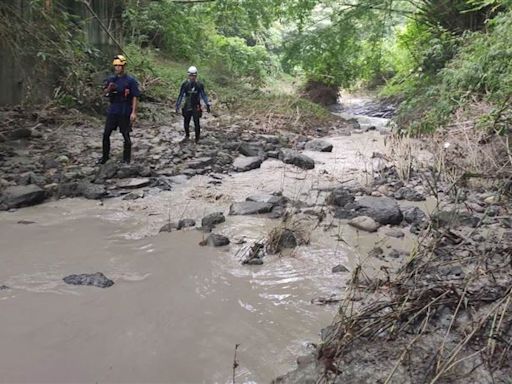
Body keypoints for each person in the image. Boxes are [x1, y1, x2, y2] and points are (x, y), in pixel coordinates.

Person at [99, 55, 140, 164]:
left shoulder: (130, 81)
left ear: (124, 66)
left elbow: (135, 96)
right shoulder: (111, 79)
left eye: (119, 66)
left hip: (125, 109)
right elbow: (104, 93)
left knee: (125, 134)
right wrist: (109, 88)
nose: (117, 68)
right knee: (106, 133)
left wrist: (134, 112)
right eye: (116, 66)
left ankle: (126, 160)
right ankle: (105, 157)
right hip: (113, 109)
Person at [175, 66, 211, 143]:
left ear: (196, 75)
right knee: (186, 122)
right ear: (188, 75)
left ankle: (197, 139)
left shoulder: (199, 84)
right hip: (187, 105)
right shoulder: (185, 84)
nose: (192, 77)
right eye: (191, 75)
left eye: (194, 76)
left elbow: (203, 95)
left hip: (196, 106)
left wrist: (207, 104)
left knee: (196, 122)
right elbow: (181, 95)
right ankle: (187, 136)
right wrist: (177, 105)